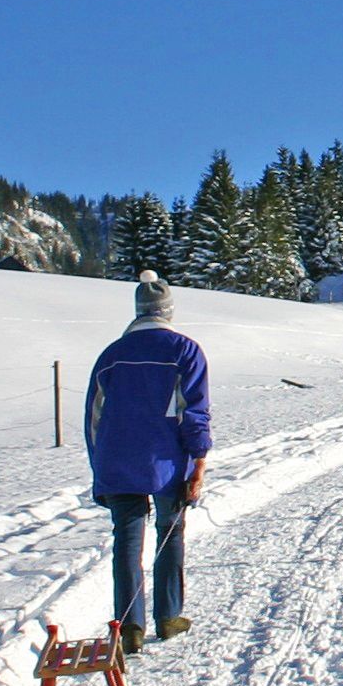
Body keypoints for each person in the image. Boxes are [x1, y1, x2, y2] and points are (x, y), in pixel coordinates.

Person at [85, 270, 210, 653]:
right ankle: (168, 617)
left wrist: (100, 467)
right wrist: (199, 461)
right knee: (169, 534)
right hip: (167, 462)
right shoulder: (185, 351)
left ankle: (129, 627)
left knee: (127, 539)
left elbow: (93, 417)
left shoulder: (110, 356)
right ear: (167, 311)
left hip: (117, 461)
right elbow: (195, 412)